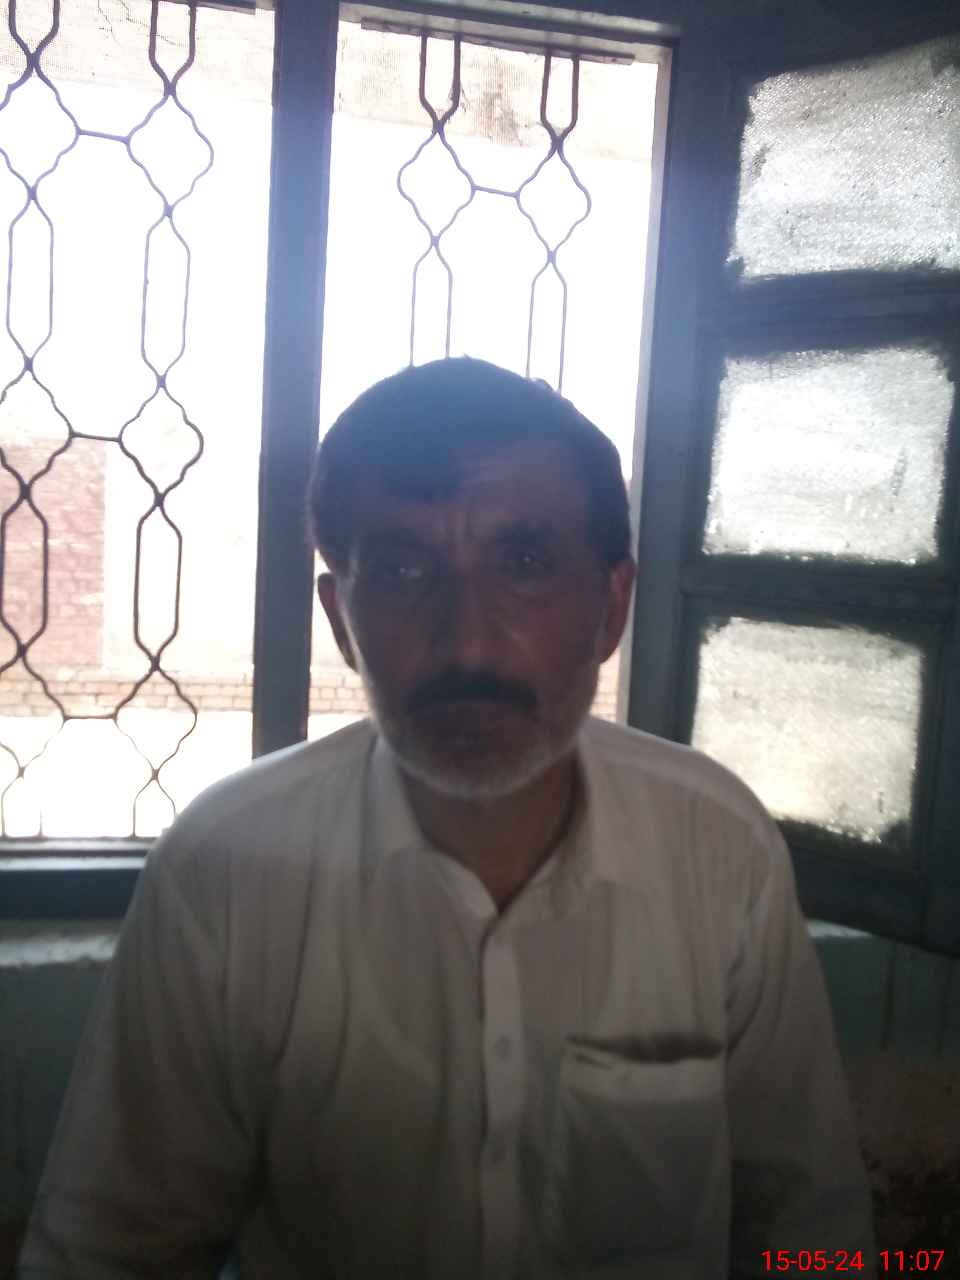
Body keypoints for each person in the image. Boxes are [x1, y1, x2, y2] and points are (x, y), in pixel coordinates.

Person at [19, 357, 874, 1279]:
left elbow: (809, 1227)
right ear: (341, 621)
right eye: (401, 570)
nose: (467, 639)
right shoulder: (225, 869)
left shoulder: (720, 848)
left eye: (525, 564)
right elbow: (113, 1249)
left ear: (611, 607)